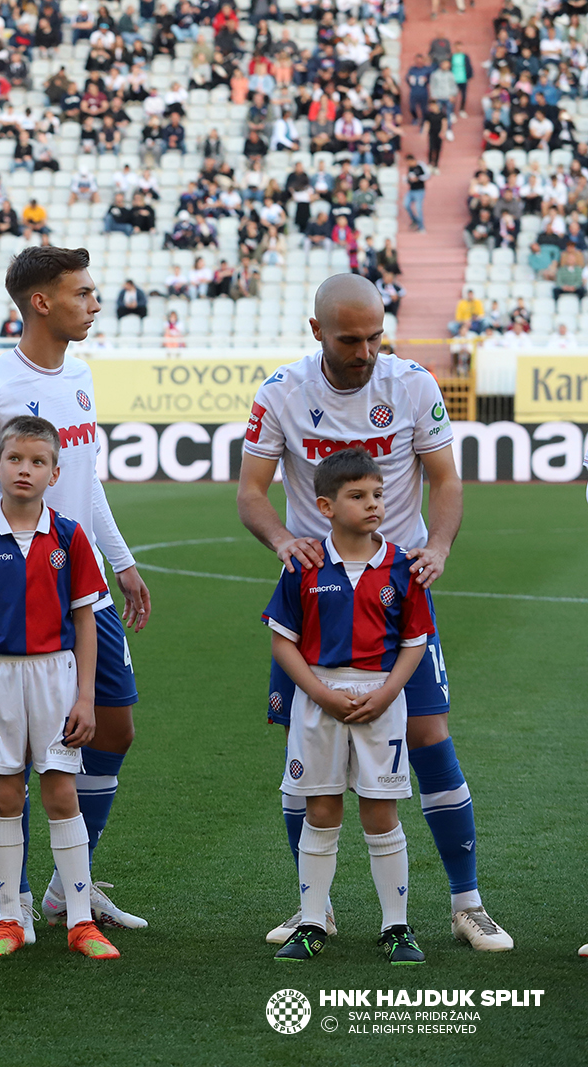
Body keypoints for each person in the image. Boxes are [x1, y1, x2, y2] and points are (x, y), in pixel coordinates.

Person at [238, 272, 514, 952]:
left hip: (396, 591)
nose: (364, 351)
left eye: (374, 337)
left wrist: (440, 544)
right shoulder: (280, 393)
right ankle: (317, 908)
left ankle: (467, 903)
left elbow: (445, 479)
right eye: (350, 339)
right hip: (317, 596)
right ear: (318, 333)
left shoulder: (413, 384)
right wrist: (282, 539)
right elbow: (250, 491)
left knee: (428, 738)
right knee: (306, 755)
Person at [0, 246, 152, 932]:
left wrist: (121, 560)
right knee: (10, 753)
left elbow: (86, 485)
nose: (94, 302)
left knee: (112, 725)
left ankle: (67, 884)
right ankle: (16, 900)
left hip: (81, 586)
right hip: (10, 589)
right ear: (40, 303)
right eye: (83, 293)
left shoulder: (82, 376)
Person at [0, 415, 121, 962]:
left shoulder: (69, 535)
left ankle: (81, 921)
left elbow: (86, 620)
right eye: (15, 459)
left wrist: (86, 696)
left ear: (55, 472)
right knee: (4, 794)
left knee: (60, 793)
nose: (25, 469)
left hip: (55, 675)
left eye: (38, 462)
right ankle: (9, 919)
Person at [262, 448, 431, 966]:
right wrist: (319, 693)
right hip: (320, 699)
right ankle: (312, 922)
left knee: (381, 811)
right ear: (326, 506)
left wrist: (386, 693)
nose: (372, 504)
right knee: (321, 808)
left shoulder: (403, 565)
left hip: (383, 699)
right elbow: (282, 640)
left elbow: (416, 641)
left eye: (378, 494)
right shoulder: (305, 566)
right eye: (357, 496)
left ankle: (396, 928)